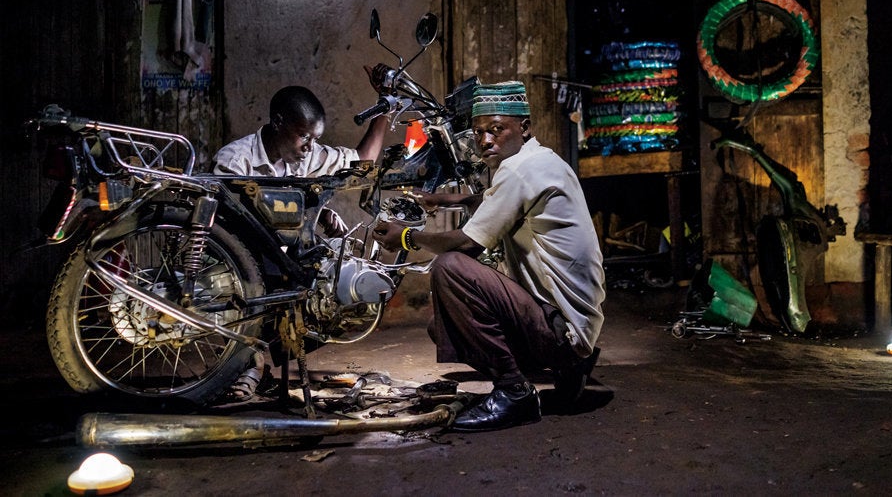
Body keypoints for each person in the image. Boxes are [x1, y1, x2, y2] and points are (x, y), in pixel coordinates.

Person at [374, 80, 606, 432]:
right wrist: (447, 200)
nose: (485, 141)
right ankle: (568, 368)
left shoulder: (518, 170)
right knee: (443, 328)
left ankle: (515, 393)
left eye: (497, 129)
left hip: (562, 329)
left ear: (524, 127)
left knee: (452, 268)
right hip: (572, 325)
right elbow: (494, 202)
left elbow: (468, 244)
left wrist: (406, 236)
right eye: (479, 132)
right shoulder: (540, 160)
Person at [212, 80, 389, 400]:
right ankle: (249, 360)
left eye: (316, 138)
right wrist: (310, 213)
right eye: (304, 136)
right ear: (278, 122)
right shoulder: (235, 160)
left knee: (325, 282)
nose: (309, 146)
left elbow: (363, 162)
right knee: (266, 281)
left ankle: (258, 358)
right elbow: (234, 226)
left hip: (282, 258)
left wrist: (385, 107)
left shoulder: (309, 156)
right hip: (241, 258)